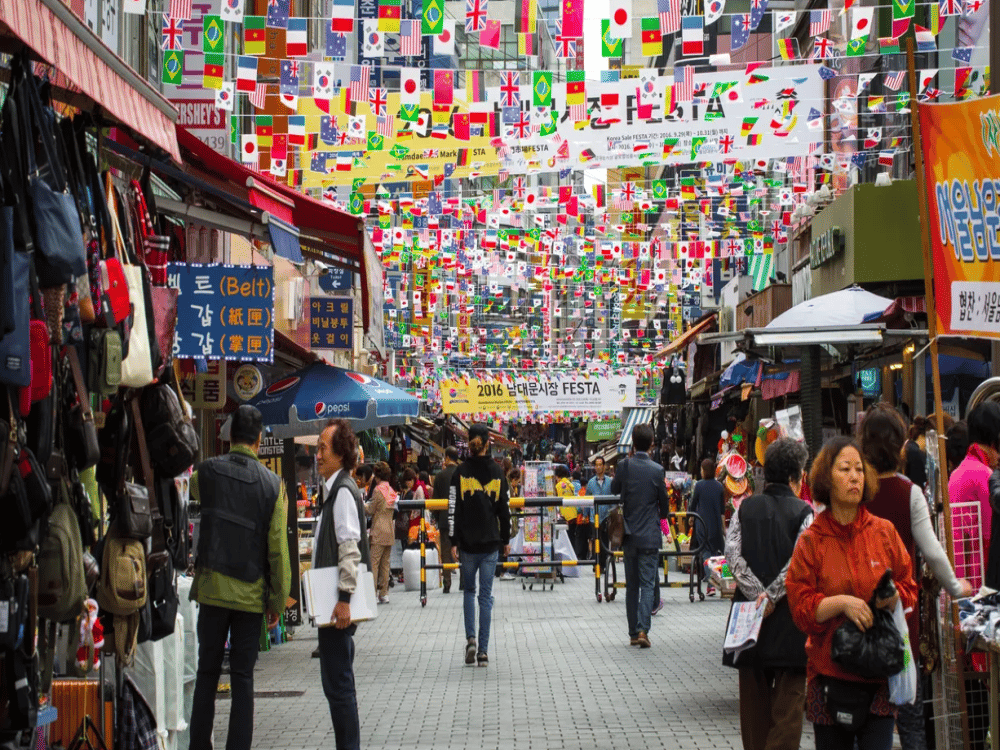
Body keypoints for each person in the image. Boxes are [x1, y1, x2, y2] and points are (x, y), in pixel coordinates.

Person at [786, 437, 918, 750]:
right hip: (828, 674)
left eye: (859, 469)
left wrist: (895, 595)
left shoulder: (883, 532)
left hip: (879, 675)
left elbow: (909, 586)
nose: (854, 476)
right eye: (845, 469)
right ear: (825, 479)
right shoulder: (811, 541)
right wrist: (841, 603)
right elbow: (801, 608)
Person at [860, 404, 972, 750]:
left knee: (861, 715)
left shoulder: (854, 488)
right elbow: (932, 550)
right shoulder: (909, 491)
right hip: (900, 620)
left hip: (858, 614)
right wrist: (957, 587)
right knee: (909, 718)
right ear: (900, 446)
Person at [189, 406, 291, 750]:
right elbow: (277, 549)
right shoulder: (273, 485)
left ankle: (199, 745)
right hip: (250, 596)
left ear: (229, 436)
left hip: (211, 590)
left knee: (207, 673)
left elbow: (193, 493)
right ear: (259, 440)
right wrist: (278, 600)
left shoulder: (203, 473)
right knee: (243, 678)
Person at [724, 438, 813, 750]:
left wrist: (756, 594)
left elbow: (732, 555)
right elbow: (799, 561)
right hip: (790, 622)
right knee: (789, 713)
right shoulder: (805, 511)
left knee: (752, 712)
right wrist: (772, 597)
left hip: (748, 623)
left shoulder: (744, 507)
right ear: (796, 477)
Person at [314, 418, 370, 750]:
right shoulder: (335, 490)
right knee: (336, 684)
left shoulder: (343, 492)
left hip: (338, 606)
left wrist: (344, 597)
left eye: (322, 448)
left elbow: (349, 547)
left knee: (340, 685)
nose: (317, 455)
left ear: (340, 453)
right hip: (333, 604)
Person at [449, 424, 511, 667]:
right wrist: (505, 539)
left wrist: (453, 540)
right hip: (490, 543)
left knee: (469, 592)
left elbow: (453, 508)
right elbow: (504, 510)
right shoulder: (497, 473)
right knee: (485, 596)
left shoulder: (460, 472)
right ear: (487, 443)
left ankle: (471, 639)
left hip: (467, 544)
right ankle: (483, 651)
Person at [611, 423, 669, 649]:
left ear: (633, 443)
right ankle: (644, 629)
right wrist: (660, 518)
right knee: (647, 584)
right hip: (650, 536)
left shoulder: (624, 465)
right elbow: (663, 505)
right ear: (652, 444)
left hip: (629, 535)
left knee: (632, 586)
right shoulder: (657, 470)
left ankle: (634, 633)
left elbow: (615, 489)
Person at [948, 402, 1000, 587]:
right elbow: (990, 539)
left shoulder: (958, 472)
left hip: (958, 578)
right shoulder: (985, 476)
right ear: (994, 442)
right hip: (977, 585)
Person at [689, 458, 727, 596]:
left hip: (702, 524)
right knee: (719, 555)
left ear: (704, 471)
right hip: (716, 524)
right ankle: (723, 585)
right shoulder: (719, 487)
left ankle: (710, 586)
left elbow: (693, 506)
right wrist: (724, 530)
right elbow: (722, 511)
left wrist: (691, 518)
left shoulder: (699, 485)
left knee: (705, 553)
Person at [366, 462, 398, 604]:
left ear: (377, 475)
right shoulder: (391, 490)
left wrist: (362, 505)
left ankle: (372, 593)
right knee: (385, 564)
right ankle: (384, 594)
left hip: (378, 530)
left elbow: (371, 509)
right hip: (390, 530)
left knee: (374, 563)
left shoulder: (378, 490)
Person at [432, 447, 460, 593]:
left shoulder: (440, 476)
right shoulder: (463, 474)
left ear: (447, 457)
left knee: (446, 551)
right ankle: (464, 582)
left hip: (444, 519)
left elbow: (435, 500)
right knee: (463, 550)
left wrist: (436, 517)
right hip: (461, 518)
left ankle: (447, 583)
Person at [587, 458, 614, 578]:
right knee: (595, 540)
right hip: (594, 517)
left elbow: (614, 498)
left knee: (604, 542)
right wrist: (585, 514)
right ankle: (596, 564)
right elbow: (587, 500)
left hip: (607, 516)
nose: (598, 467)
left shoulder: (610, 481)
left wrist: (614, 514)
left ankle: (602, 564)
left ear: (604, 466)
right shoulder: (591, 482)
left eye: (600, 465)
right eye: (596, 465)